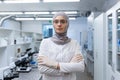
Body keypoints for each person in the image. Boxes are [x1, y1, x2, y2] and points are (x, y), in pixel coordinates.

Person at [37, 12, 85, 80]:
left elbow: (80, 67)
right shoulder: (45, 43)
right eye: (56, 22)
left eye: (62, 21)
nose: (59, 24)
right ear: (53, 24)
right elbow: (42, 69)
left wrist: (54, 64)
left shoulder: (74, 43)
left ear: (67, 24)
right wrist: (68, 69)